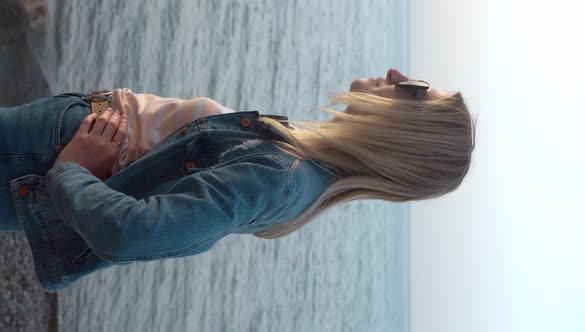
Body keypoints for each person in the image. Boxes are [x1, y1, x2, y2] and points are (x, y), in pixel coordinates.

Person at [0, 68, 477, 292]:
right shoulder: (300, 163)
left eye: (413, 88)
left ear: (408, 136)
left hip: (45, 153)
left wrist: (71, 169)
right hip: (56, 142)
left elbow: (133, 233)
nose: (397, 73)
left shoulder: (284, 176)